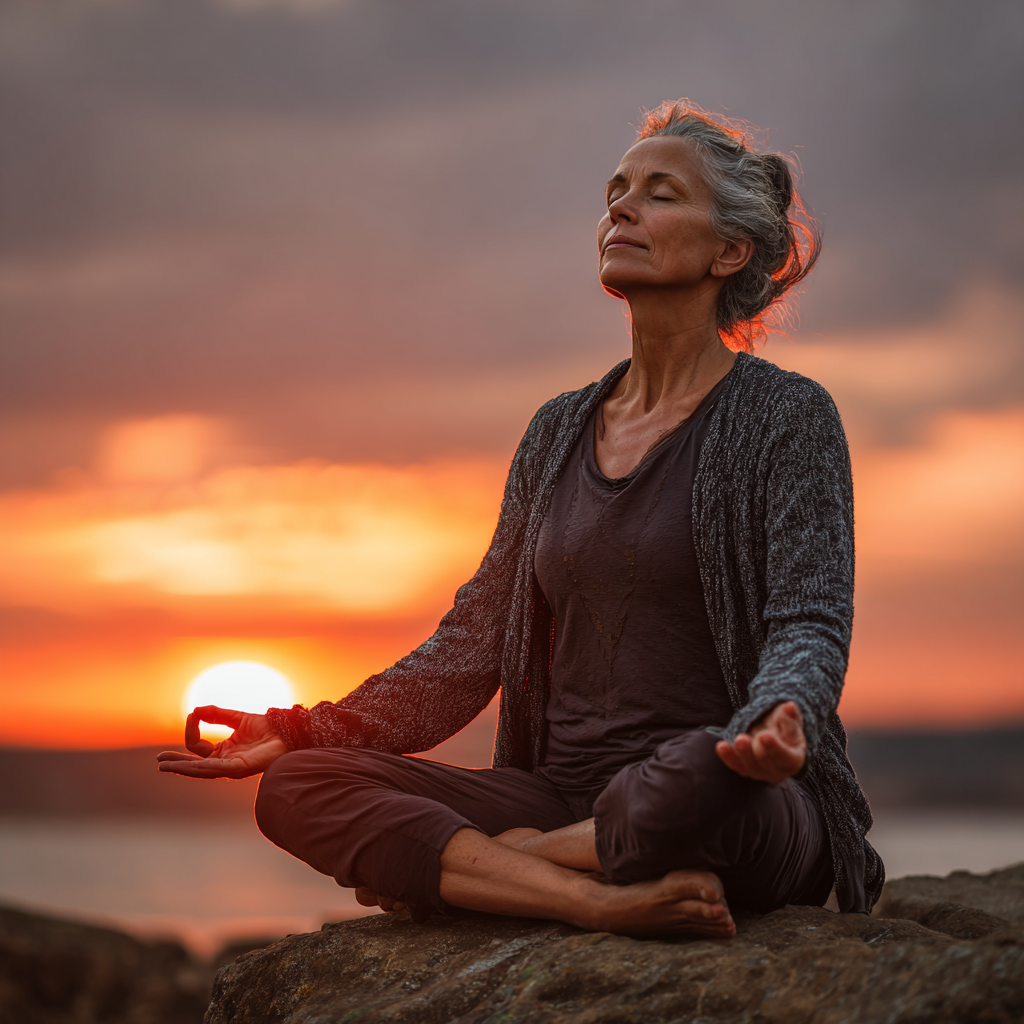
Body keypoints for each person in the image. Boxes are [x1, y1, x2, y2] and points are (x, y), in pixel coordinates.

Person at [158, 100, 883, 938]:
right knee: (300, 787)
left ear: (731, 250)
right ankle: (591, 892)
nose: (621, 207)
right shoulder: (556, 431)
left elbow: (810, 621)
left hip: (719, 784)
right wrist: (305, 730)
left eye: (660, 193)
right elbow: (469, 646)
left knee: (704, 787)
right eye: (616, 189)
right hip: (558, 788)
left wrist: (774, 724)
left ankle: (492, 869)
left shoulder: (785, 416)